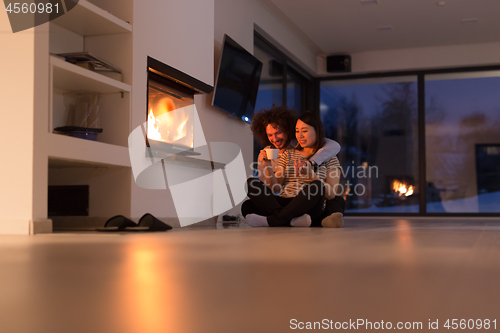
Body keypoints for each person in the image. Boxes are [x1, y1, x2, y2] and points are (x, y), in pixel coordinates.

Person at [243, 111, 344, 228]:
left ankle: (273, 220)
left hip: (310, 205)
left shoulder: (330, 158)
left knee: (317, 186)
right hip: (286, 202)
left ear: (317, 131)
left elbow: (332, 195)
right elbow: (276, 187)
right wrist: (268, 166)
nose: (300, 135)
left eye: (304, 131)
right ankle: (290, 220)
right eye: (297, 131)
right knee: (250, 187)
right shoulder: (288, 154)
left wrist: (311, 174)